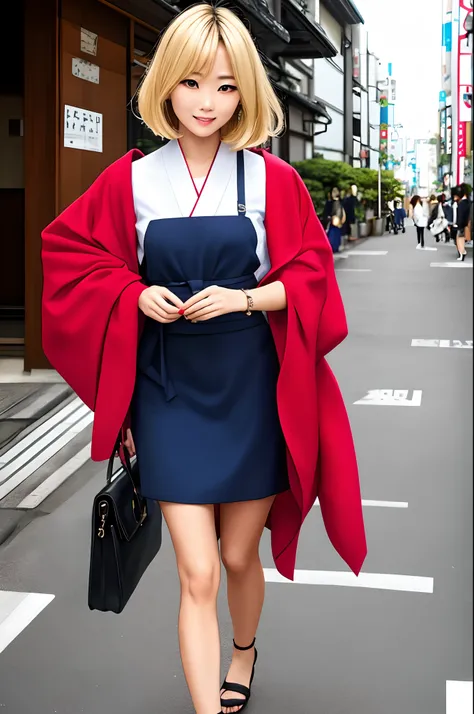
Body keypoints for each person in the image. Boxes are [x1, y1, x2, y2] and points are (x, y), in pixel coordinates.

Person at [41, 6, 367, 714]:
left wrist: (247, 301)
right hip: (167, 392)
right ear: (165, 88)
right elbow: (70, 262)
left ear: (245, 92)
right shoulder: (129, 180)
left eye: (224, 87)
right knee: (195, 570)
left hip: (252, 391)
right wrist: (131, 294)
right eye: (192, 84)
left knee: (236, 557)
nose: (207, 103)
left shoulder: (272, 180)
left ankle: (243, 651)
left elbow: (313, 279)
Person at [323, 187, 346, 253]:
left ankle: (335, 247)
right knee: (332, 235)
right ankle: (333, 248)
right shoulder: (332, 202)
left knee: (335, 235)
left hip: (336, 222)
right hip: (332, 222)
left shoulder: (339, 202)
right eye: (333, 191)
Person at [452, 185, 472, 261]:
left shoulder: (462, 203)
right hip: (465, 224)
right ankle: (462, 253)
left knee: (459, 239)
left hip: (461, 224)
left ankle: (462, 253)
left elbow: (460, 215)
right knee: (461, 238)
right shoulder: (467, 202)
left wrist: (458, 224)